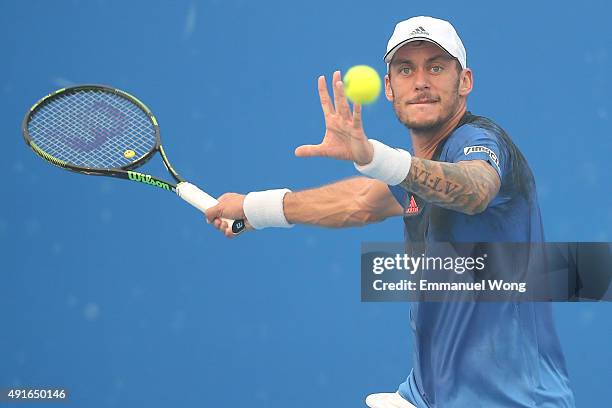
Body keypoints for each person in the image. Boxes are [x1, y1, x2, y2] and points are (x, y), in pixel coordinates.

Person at [205, 16, 576, 408]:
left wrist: (376, 158)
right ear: (388, 88)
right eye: (405, 69)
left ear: (464, 81)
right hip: (433, 394)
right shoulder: (418, 173)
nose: (420, 81)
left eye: (436, 66)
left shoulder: (479, 140)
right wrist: (253, 208)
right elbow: (360, 202)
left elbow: (474, 189)